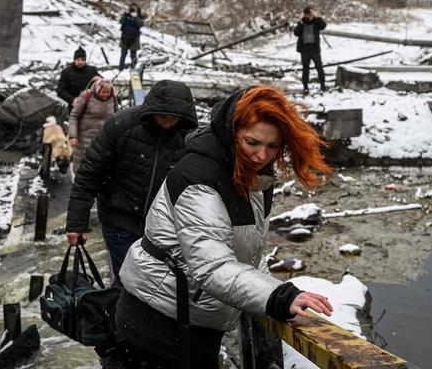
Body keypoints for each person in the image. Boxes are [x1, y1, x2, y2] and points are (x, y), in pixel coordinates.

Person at [116, 85, 334, 368]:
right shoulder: (201, 179)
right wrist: (277, 297)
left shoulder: (253, 177)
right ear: (232, 133)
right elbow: (214, 267)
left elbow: (248, 257)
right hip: (160, 322)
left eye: (272, 146)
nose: (262, 155)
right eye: (252, 142)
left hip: (193, 318)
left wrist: (272, 291)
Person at [64, 80, 198, 289]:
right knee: (128, 283)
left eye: (174, 117)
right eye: (163, 115)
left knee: (156, 286)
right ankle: (118, 317)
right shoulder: (121, 126)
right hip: (120, 219)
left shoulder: (189, 139)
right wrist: (76, 223)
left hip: (163, 227)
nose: (168, 121)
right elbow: (90, 173)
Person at [68, 78, 117, 173]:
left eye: (108, 92)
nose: (106, 95)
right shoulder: (86, 95)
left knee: (100, 165)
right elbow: (74, 116)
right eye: (103, 92)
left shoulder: (113, 97)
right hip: (85, 137)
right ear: (98, 89)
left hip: (104, 138)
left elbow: (116, 115)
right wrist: (73, 135)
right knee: (82, 165)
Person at [294, 5, 327, 94]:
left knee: (319, 68)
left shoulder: (316, 22)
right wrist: (300, 24)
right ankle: (305, 87)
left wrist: (317, 16)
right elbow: (296, 33)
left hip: (314, 49)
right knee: (305, 69)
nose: (308, 16)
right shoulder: (301, 22)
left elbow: (323, 26)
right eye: (306, 14)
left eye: (310, 14)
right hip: (305, 50)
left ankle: (323, 85)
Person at [57, 46, 99, 112]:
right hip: (74, 106)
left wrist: (99, 80)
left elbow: (104, 84)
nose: (80, 62)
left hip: (91, 105)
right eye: (78, 60)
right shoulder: (66, 72)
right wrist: (72, 99)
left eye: (82, 60)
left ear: (85, 60)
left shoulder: (92, 70)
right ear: (74, 60)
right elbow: (60, 90)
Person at [118, 3, 145, 71]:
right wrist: (125, 14)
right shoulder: (126, 15)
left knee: (133, 55)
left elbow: (141, 24)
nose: (132, 10)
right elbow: (121, 22)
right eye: (131, 8)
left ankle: (134, 67)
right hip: (125, 37)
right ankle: (120, 68)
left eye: (134, 9)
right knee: (123, 54)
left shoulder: (139, 16)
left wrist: (135, 16)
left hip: (134, 38)